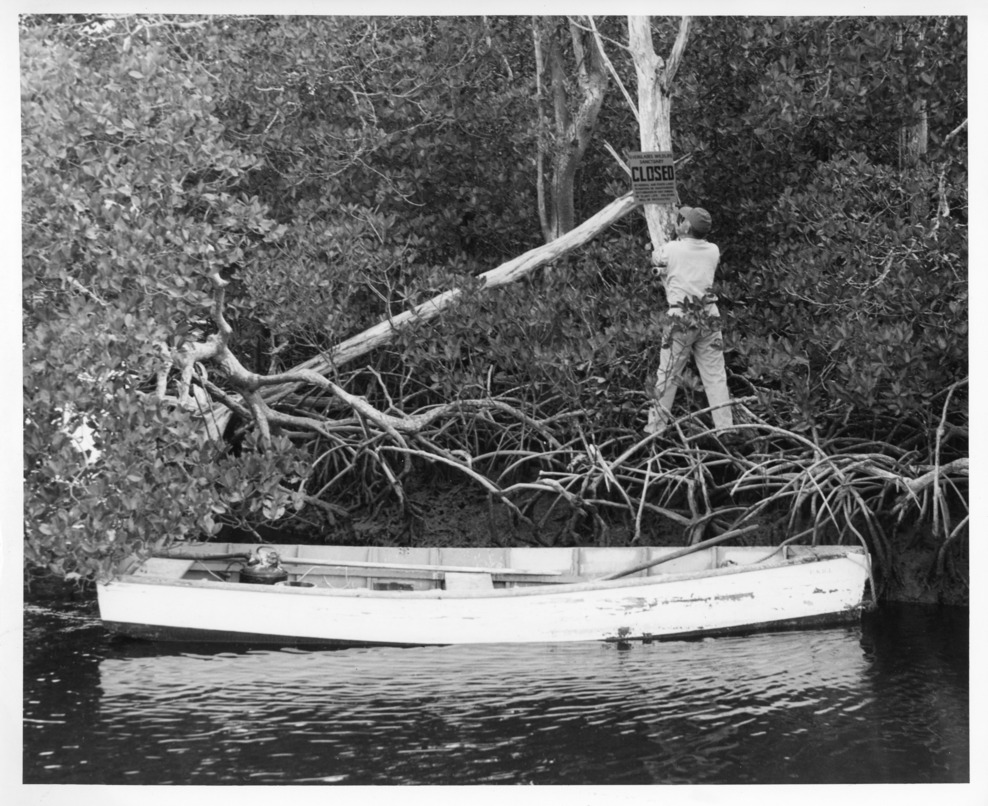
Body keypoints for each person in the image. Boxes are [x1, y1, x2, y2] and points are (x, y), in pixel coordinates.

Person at [645, 205, 734, 437]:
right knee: (715, 375)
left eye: (683, 219)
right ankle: (725, 429)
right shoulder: (713, 250)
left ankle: (655, 429)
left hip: (681, 318)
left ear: (686, 226)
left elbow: (656, 256)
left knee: (668, 374)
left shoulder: (672, 248)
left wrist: (671, 236)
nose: (680, 220)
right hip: (710, 316)